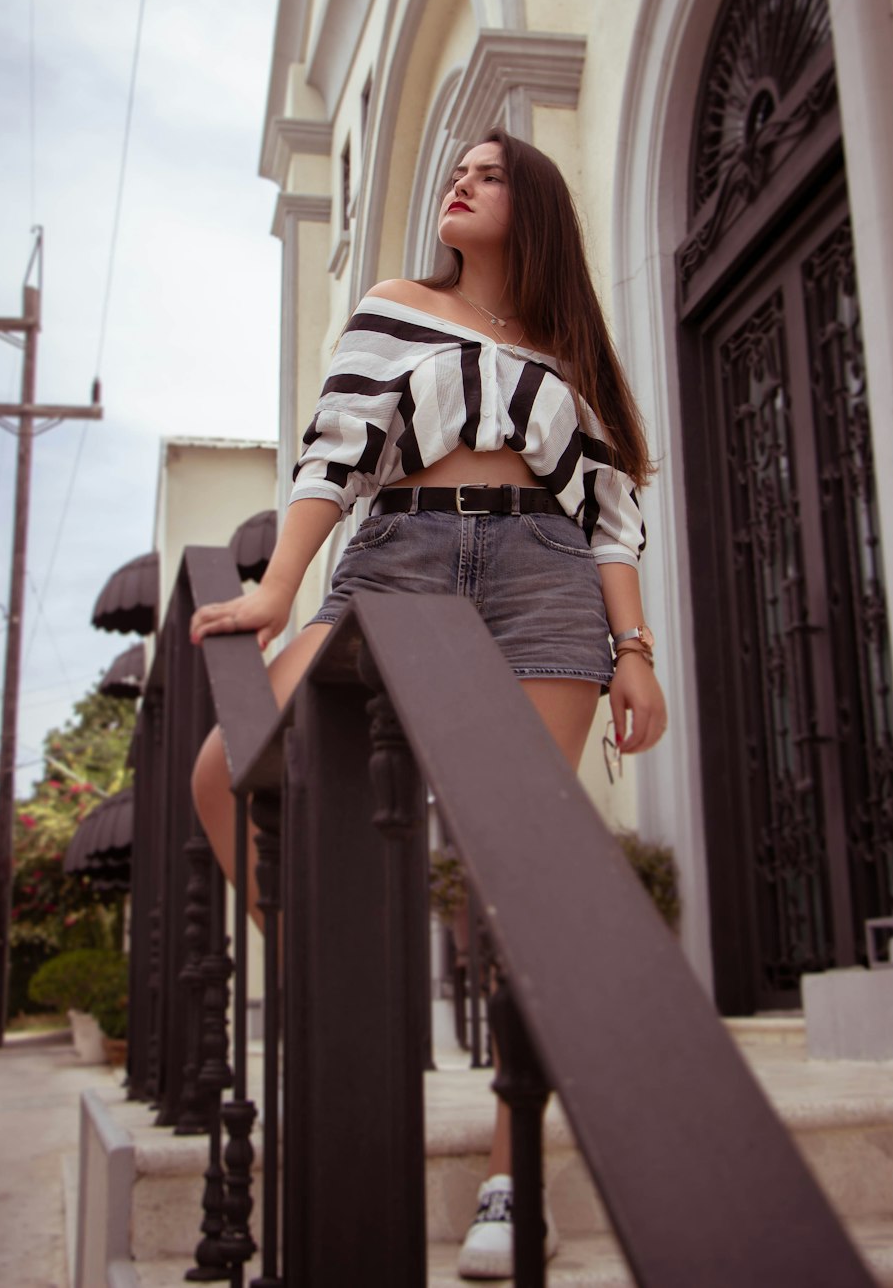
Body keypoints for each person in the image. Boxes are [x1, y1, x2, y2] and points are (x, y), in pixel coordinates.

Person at [189, 127, 667, 1280]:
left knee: (525, 882)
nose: (461, 180)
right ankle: (343, 978)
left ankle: (511, 1176)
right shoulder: (394, 303)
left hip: (544, 579)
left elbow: (606, 513)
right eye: (458, 169)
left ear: (534, 205)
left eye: (489, 172)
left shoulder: (571, 351)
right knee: (224, 771)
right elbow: (334, 455)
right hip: (397, 556)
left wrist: (635, 649)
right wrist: (277, 588)